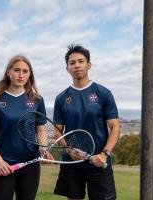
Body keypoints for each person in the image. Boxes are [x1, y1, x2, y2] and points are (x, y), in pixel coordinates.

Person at [53, 44, 120, 200]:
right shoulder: (61, 98)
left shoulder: (103, 93)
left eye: (81, 61)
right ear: (67, 68)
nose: (77, 65)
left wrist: (104, 154)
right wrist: (68, 149)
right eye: (72, 62)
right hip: (72, 161)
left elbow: (115, 127)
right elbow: (57, 130)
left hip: (98, 160)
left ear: (89, 65)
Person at [0, 55, 52, 200]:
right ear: (8, 72)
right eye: (17, 70)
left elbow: (41, 129)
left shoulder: (37, 100)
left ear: (30, 74)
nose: (21, 75)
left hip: (30, 164)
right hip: (3, 164)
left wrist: (43, 148)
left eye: (25, 71)